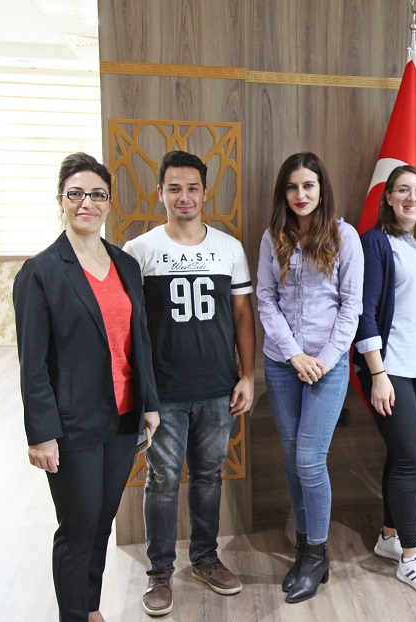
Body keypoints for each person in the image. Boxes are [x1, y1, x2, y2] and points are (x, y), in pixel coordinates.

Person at [14, 153, 160, 622]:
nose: (86, 203)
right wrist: (41, 434)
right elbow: (33, 364)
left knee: (101, 524)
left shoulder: (125, 264)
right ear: (60, 201)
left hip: (122, 418)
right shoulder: (40, 272)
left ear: (109, 203)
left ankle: (90, 608)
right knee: (77, 528)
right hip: (72, 424)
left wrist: (149, 403)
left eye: (97, 194)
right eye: (75, 194)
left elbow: (139, 340)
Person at [123, 150, 256, 617]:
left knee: (208, 476)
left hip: (218, 389)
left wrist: (247, 374)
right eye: (174, 188)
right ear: (160, 192)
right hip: (163, 393)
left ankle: (204, 558)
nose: (184, 196)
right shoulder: (138, 251)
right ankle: (159, 572)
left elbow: (243, 315)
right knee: (161, 481)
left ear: (205, 191)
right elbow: (128, 328)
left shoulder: (229, 248)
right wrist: (139, 392)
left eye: (192, 188)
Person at [257, 152, 364, 603]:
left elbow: (352, 305)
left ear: (322, 189)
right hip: (282, 363)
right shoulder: (273, 236)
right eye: (292, 187)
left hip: (327, 365)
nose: (300, 195)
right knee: (290, 459)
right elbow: (265, 299)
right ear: (283, 193)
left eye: (308, 186)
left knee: (308, 460)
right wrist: (294, 354)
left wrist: (322, 358)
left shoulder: (344, 236)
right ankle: (303, 547)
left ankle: (317, 554)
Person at [354, 165, 416, 596]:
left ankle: (389, 535)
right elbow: (365, 310)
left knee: (403, 454)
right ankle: (411, 558)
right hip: (390, 368)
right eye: (402, 190)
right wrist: (377, 374)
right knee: (410, 457)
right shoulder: (376, 242)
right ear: (389, 198)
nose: (412, 198)